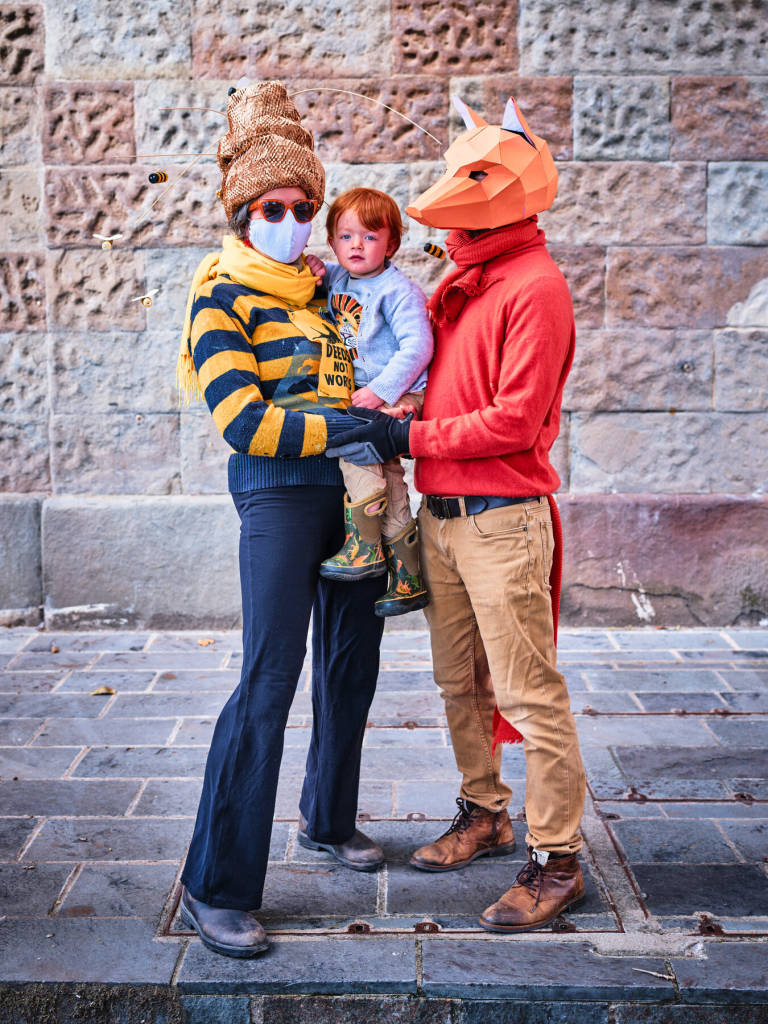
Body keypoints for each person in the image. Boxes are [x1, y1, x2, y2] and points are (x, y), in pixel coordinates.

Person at [326, 95, 587, 932]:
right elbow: (435, 377)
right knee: (458, 684)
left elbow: (514, 418)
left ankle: (557, 860)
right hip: (442, 513)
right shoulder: (462, 282)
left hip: (502, 516)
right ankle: (486, 812)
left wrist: (410, 428)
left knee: (527, 691)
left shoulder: (535, 286)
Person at [176, 81, 386, 959]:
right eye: (275, 206)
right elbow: (245, 420)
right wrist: (353, 426)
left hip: (349, 494)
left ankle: (327, 821)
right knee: (269, 679)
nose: (294, 220)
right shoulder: (221, 298)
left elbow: (366, 365)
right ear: (241, 211)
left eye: (305, 205)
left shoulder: (321, 294)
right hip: (273, 491)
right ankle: (215, 884)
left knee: (350, 665)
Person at [306, 187, 433, 617]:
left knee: (353, 449)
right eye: (345, 237)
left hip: (399, 391)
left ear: (391, 244)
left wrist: (383, 392)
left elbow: (418, 347)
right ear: (332, 242)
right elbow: (319, 275)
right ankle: (408, 578)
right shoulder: (339, 278)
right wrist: (312, 267)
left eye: (369, 237)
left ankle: (364, 550)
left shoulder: (398, 291)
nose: (356, 246)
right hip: (375, 394)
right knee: (392, 478)